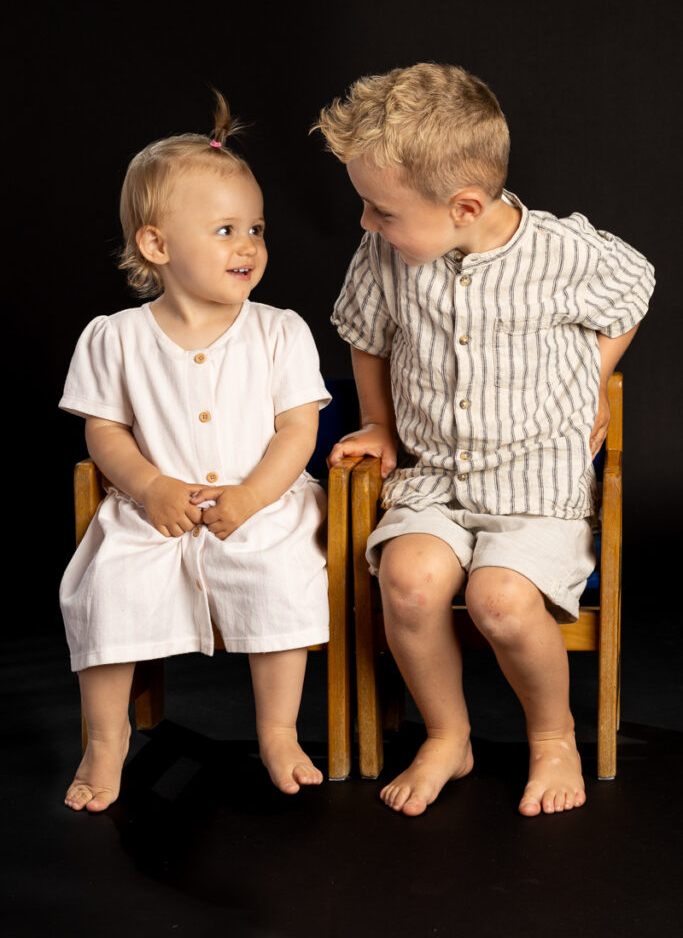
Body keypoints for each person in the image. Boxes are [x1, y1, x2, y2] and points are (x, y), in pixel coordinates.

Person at [315, 63, 654, 817]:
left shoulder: (563, 253)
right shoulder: (384, 257)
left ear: (464, 205)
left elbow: (634, 288)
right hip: (435, 478)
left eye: (381, 210)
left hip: (535, 488)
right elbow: (363, 333)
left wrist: (592, 375)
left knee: (500, 599)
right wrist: (376, 421)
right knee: (406, 580)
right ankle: (447, 734)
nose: (366, 224)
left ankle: (552, 735)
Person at [60, 93, 330, 812]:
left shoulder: (279, 331)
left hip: (262, 500)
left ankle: (277, 731)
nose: (248, 245)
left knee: (280, 572)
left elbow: (296, 432)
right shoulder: (114, 338)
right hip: (156, 505)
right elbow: (103, 432)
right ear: (157, 245)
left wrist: (250, 497)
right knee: (106, 588)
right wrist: (147, 487)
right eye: (224, 230)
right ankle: (106, 737)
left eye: (256, 229)